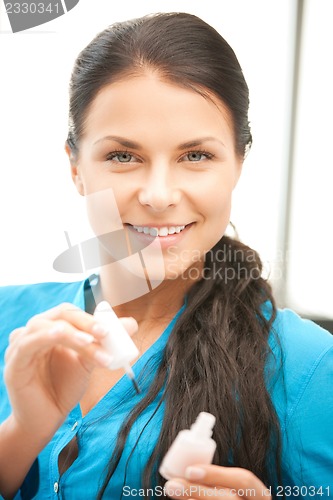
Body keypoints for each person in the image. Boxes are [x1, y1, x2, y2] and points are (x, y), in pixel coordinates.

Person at [0, 11, 332, 500]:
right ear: (75, 166)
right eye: (122, 156)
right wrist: (23, 431)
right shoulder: (10, 318)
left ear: (238, 163)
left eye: (195, 156)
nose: (158, 195)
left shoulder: (309, 369)